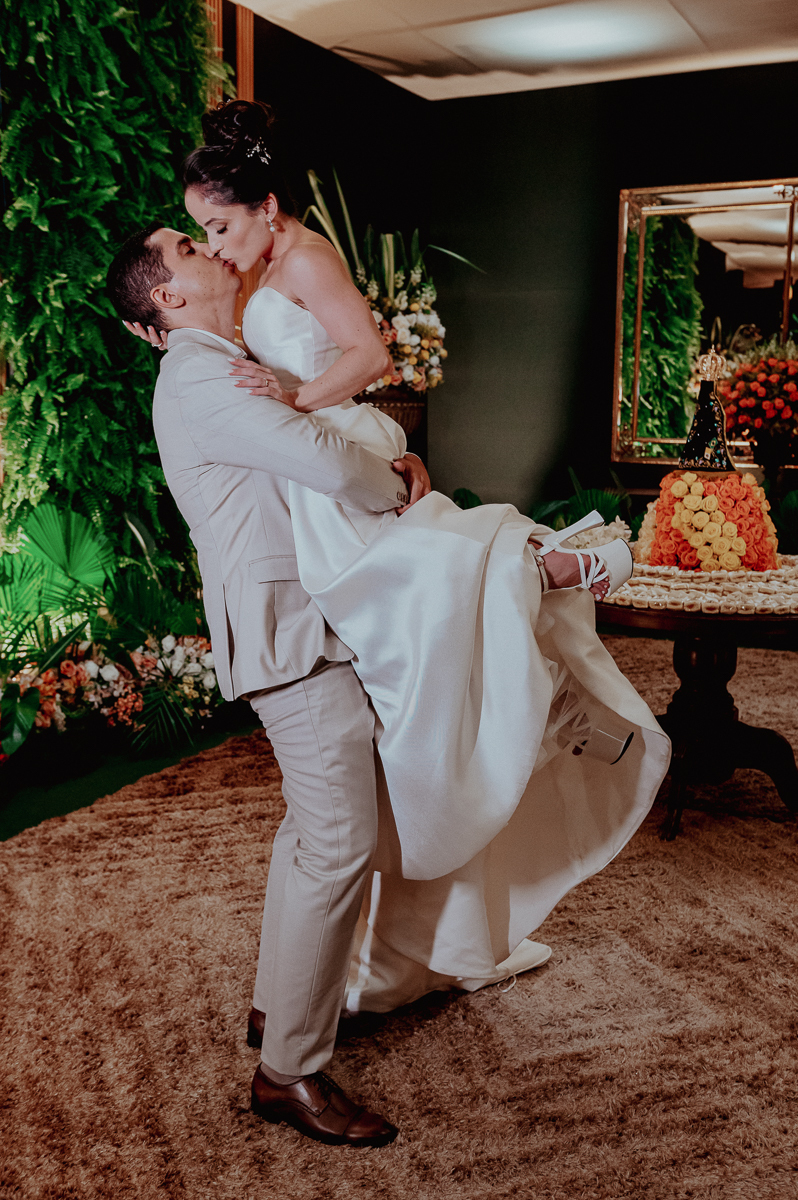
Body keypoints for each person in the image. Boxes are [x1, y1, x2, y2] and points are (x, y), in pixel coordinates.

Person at [116, 101, 670, 1141]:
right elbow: (326, 461)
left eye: (210, 227)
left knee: (358, 798)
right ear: (166, 299)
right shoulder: (202, 374)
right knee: (340, 838)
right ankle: (290, 1070)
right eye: (188, 245)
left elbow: (328, 427)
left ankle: (288, 1007)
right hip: (293, 632)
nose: (204, 244)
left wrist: (382, 462)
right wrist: (399, 477)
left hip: (319, 608)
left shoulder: (231, 351)